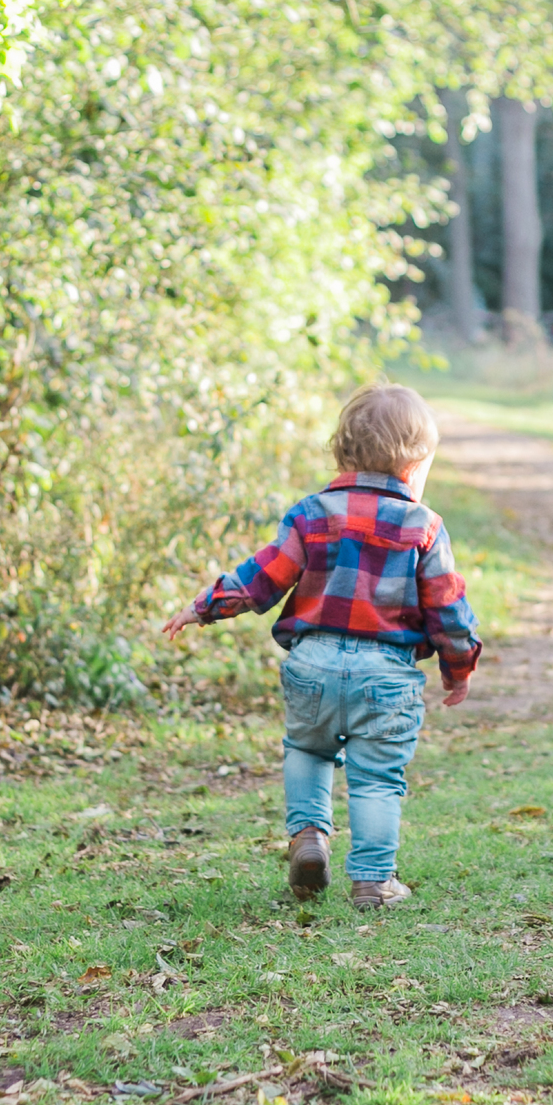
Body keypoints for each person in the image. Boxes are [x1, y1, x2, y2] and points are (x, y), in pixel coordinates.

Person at [163, 384, 481, 911]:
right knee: (377, 776)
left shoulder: (313, 513)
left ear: (344, 453)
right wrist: (459, 666)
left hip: (312, 664)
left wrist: (205, 605)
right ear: (415, 465)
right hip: (385, 674)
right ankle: (375, 882)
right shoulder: (424, 528)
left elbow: (261, 577)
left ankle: (309, 836)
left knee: (308, 750)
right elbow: (447, 608)